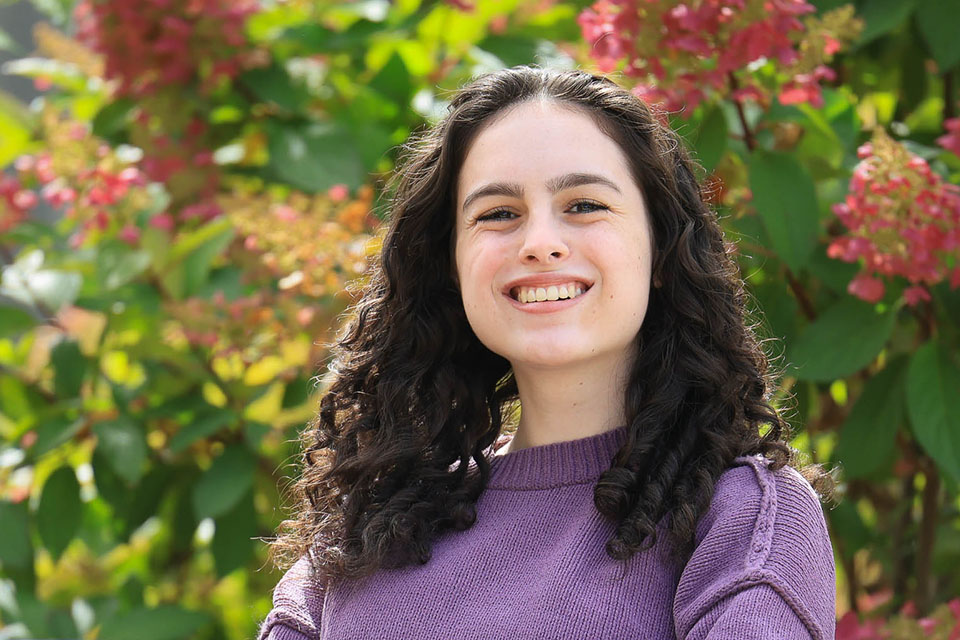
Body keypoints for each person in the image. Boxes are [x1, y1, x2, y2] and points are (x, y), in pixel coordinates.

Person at [256, 65, 836, 640]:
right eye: (498, 214)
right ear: (451, 266)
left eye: (585, 205)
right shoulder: (368, 532)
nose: (539, 244)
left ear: (660, 250)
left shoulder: (742, 519)